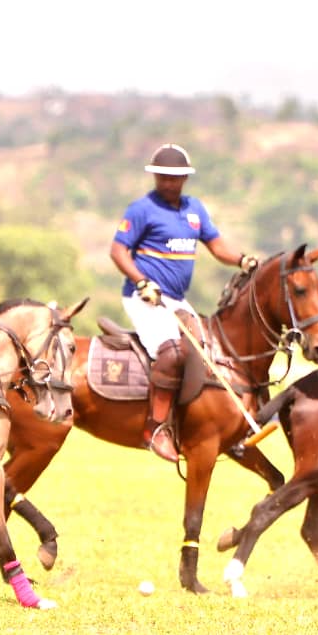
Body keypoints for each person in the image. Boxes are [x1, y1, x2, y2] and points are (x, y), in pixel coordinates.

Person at [110, 143, 259, 462]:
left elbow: (217, 248)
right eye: (163, 177)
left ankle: (213, 422)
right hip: (143, 297)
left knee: (211, 351)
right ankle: (156, 429)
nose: (168, 183)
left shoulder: (195, 210)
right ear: (155, 177)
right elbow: (118, 251)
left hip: (176, 300)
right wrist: (141, 281)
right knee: (173, 351)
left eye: (175, 178)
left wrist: (242, 259)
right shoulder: (141, 210)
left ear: (185, 179)